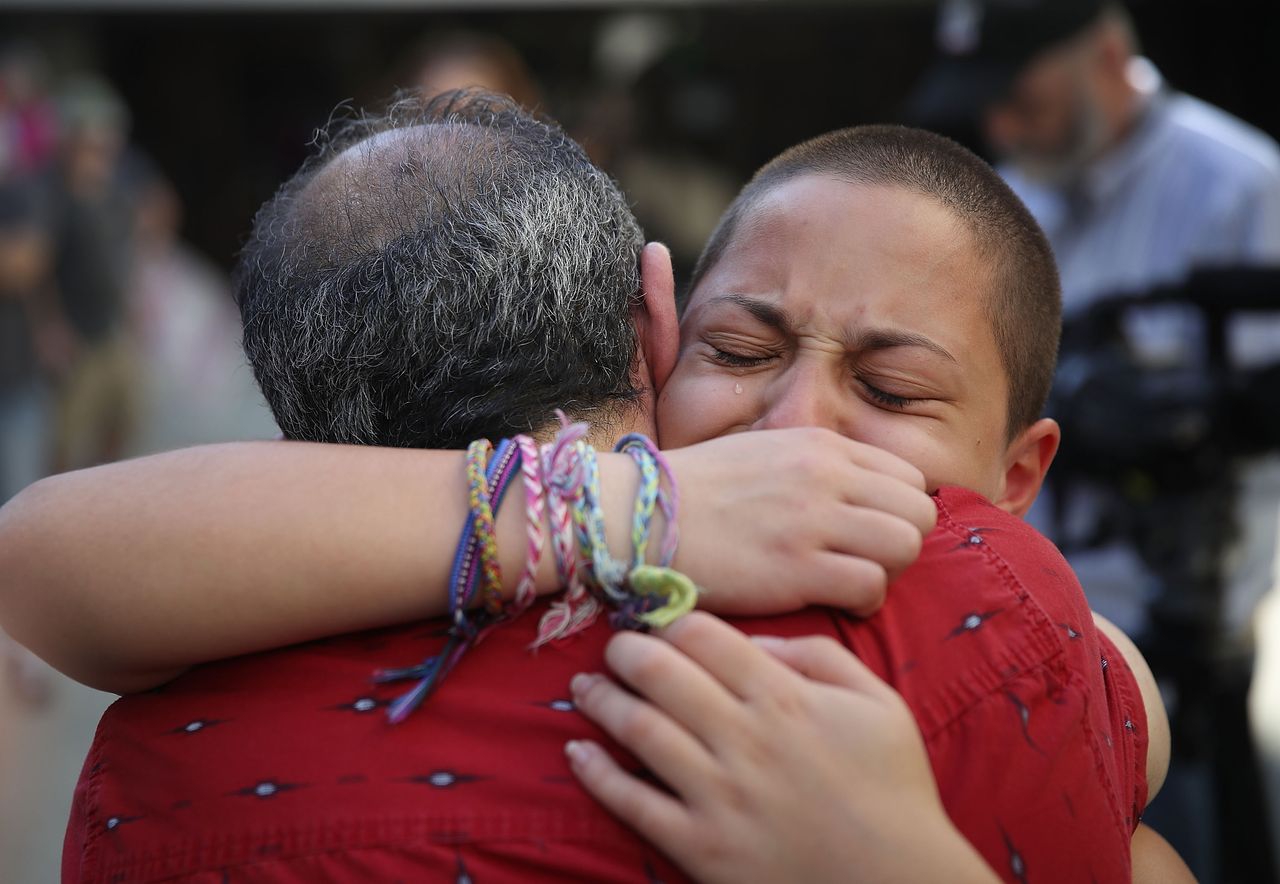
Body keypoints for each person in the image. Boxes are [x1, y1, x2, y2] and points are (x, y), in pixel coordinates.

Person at [0, 92, 1169, 881]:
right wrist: (643, 509)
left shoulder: (149, 776)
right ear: (658, 327)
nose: (794, 429)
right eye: (744, 352)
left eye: (892, 385)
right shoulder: (989, 620)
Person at [908, 0, 1280, 867]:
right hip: (1022, 611)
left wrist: (1176, 414)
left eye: (1023, 97)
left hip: (1183, 612)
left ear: (1106, 55)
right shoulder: (1014, 193)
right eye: (986, 101)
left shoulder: (1242, 184)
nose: (1001, 123)